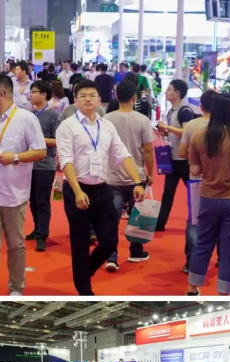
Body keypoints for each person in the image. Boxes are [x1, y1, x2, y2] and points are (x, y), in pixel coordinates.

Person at [55, 79, 145, 295]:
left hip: (102, 188)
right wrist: (77, 191)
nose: (88, 99)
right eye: (83, 96)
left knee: (110, 241)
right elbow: (66, 160)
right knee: (80, 243)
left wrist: (137, 181)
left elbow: (122, 154)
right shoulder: (67, 126)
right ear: (75, 100)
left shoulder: (106, 126)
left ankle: (84, 272)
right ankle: (85, 291)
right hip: (77, 189)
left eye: (92, 95)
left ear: (99, 99)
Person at [0, 73, 47, 296]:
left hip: (14, 194)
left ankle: (16, 287)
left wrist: (15, 157)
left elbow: (40, 151)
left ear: (1, 94)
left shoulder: (26, 119)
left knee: (15, 244)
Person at [187, 93, 230, 296]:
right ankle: (224, 293)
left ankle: (192, 288)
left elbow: (195, 170)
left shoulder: (199, 135)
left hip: (209, 197)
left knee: (203, 243)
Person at [103, 80, 154, 272]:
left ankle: (111, 257)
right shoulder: (142, 120)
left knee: (111, 219)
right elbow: (148, 150)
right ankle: (135, 251)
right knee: (137, 216)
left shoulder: (106, 119)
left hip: (112, 175)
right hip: (136, 176)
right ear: (134, 98)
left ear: (116, 96)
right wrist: (150, 173)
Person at [179, 89, 218, 273]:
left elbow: (181, 152)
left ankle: (192, 262)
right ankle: (222, 259)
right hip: (220, 181)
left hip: (196, 179)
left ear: (200, 106)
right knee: (221, 221)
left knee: (194, 220)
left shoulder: (192, 126)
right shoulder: (225, 126)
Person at [156, 79, 196, 232]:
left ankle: (196, 221)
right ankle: (160, 223)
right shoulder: (172, 111)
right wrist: (164, 131)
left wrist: (168, 128)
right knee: (168, 192)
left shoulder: (185, 111)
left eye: (169, 89)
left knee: (192, 192)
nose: (166, 92)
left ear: (178, 93)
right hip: (172, 158)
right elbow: (174, 132)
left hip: (184, 159)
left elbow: (187, 131)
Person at [25, 80, 60, 253]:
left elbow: (58, 140)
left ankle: (42, 235)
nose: (30, 95)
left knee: (42, 200)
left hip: (45, 165)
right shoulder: (28, 115)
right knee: (32, 200)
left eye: (34, 92)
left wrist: (39, 139)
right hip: (28, 164)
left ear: (44, 95)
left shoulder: (54, 115)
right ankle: (37, 227)